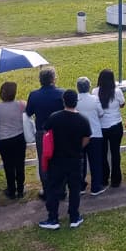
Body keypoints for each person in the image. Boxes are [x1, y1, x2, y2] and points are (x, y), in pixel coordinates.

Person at [40, 90, 90, 230]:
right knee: (74, 189)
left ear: (64, 101)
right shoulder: (82, 120)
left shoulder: (54, 117)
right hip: (74, 159)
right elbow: (87, 137)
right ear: (76, 101)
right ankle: (74, 217)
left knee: (54, 188)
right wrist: (77, 147)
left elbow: (46, 131)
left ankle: (53, 218)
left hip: (57, 159)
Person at [25, 67, 65, 196]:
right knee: (60, 160)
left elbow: (29, 113)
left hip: (42, 132)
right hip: (59, 132)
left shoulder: (34, 95)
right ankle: (61, 189)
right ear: (53, 79)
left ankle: (47, 190)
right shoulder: (62, 93)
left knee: (44, 162)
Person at [0, 82, 27, 200]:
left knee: (8, 166)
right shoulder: (21, 104)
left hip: (4, 139)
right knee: (19, 164)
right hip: (18, 137)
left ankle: (11, 190)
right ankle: (21, 189)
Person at [75, 77, 106, 195]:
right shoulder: (94, 99)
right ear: (89, 87)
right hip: (95, 134)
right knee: (95, 162)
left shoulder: (75, 100)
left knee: (80, 162)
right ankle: (96, 186)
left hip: (79, 136)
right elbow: (101, 113)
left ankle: (81, 186)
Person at [96, 70, 125, 189]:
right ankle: (116, 180)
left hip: (101, 126)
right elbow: (122, 104)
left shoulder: (95, 91)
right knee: (115, 153)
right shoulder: (117, 91)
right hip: (116, 125)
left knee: (102, 154)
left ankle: (104, 178)